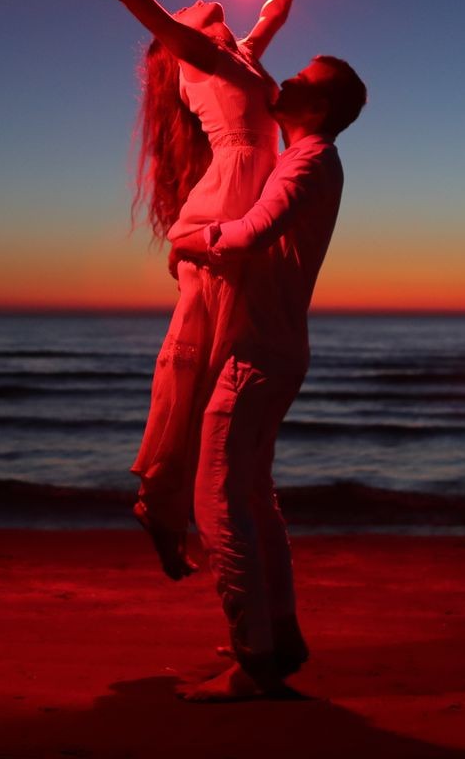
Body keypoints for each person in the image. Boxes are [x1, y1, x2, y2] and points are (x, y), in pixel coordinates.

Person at [3, 0, 301, 580]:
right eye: (188, 11)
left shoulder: (241, 57)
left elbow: (267, 24)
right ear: (178, 39)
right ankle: (167, 501)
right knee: (207, 357)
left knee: (224, 360)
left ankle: (173, 502)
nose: (201, 1)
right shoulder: (194, 52)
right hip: (229, 195)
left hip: (246, 195)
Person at [165, 54, 367, 702]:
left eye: (302, 82)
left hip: (260, 356)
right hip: (274, 350)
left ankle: (254, 662)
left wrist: (191, 239)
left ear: (319, 109)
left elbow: (250, 235)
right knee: (253, 497)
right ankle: (277, 636)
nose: (287, 82)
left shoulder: (308, 163)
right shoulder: (302, 158)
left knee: (217, 499)